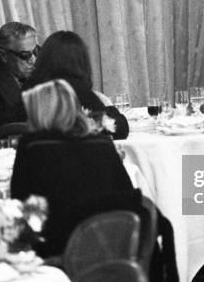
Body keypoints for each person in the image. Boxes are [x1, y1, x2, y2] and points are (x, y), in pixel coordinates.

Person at [10, 79, 141, 256]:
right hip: (109, 243)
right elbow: (126, 195)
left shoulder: (32, 146)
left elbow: (19, 202)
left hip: (56, 248)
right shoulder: (102, 141)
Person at [30, 30, 129, 139]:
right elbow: (117, 129)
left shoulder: (29, 87)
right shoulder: (77, 90)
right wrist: (109, 108)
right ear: (81, 61)